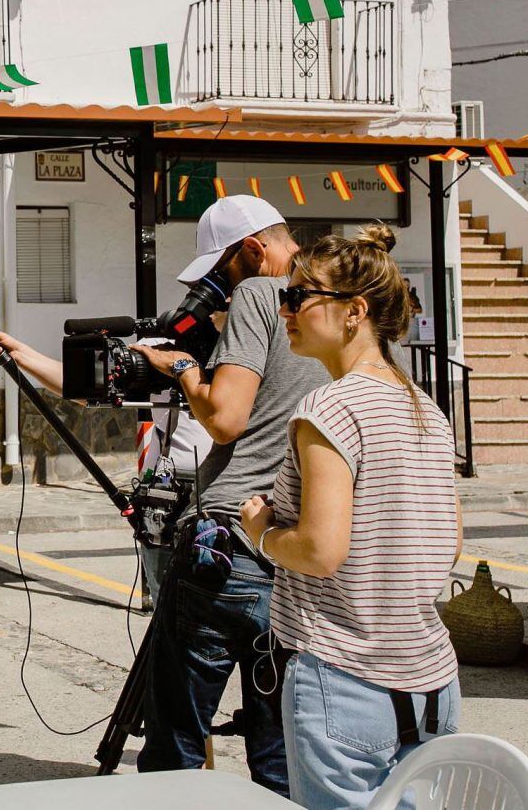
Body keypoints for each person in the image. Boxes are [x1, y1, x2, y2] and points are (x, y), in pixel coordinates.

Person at [239, 224, 461, 810]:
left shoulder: (328, 406)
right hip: (431, 677)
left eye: (298, 297)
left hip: (342, 669)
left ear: (354, 311)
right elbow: (450, 540)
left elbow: (319, 550)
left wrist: (262, 533)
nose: (283, 310)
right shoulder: (426, 409)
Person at [129, 195, 329, 796]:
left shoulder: (260, 296)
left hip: (230, 544)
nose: (220, 289)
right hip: (295, 550)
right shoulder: (339, 315)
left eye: (224, 272)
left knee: (177, 744)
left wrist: (184, 368)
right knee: (279, 745)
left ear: (253, 251)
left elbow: (225, 421)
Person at [0, 331, 212, 600]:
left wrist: (185, 369)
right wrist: (18, 354)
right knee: (167, 607)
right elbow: (86, 388)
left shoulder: (249, 347)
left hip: (225, 497)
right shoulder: (158, 349)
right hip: (170, 505)